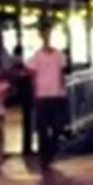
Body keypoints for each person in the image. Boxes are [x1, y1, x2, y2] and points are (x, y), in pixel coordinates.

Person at [27, 34, 70, 168]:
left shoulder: (59, 55)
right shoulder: (37, 56)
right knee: (43, 127)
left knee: (57, 126)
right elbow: (32, 74)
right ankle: (45, 155)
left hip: (56, 94)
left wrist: (63, 91)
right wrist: (35, 91)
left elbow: (62, 74)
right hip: (42, 94)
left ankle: (51, 149)